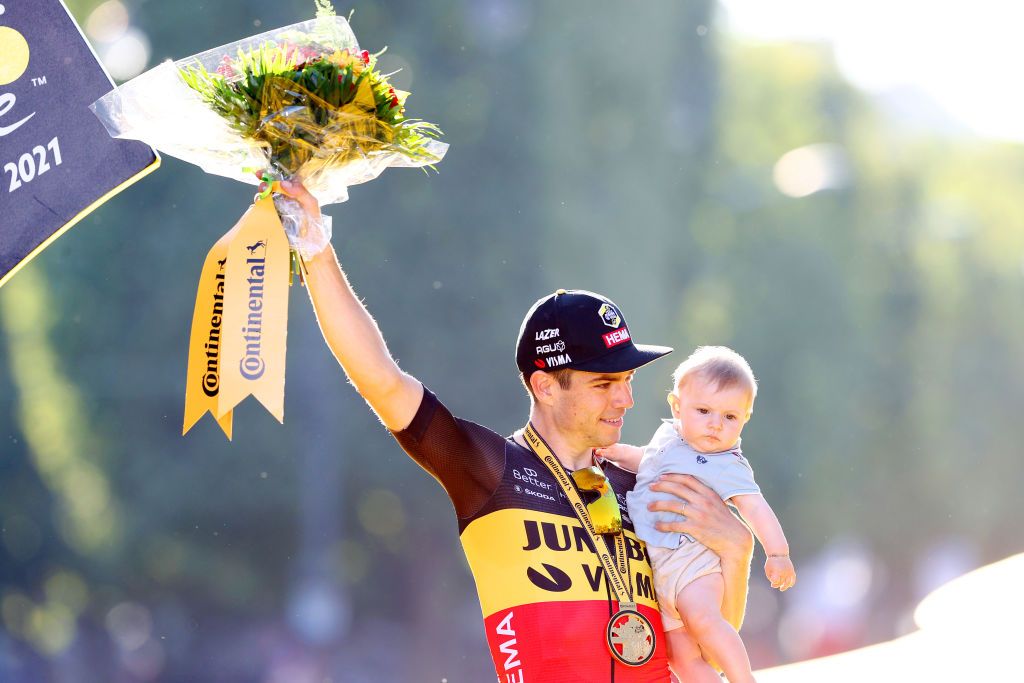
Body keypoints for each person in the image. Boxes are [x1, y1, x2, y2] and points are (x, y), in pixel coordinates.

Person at [266, 178, 756, 682]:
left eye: (628, 380)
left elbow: (707, 642)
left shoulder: (644, 482)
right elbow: (381, 380)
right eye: (604, 383)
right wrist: (316, 249)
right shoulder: (488, 469)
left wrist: (737, 552)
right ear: (545, 386)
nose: (626, 399)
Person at [599, 346, 796, 683]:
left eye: (729, 417)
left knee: (703, 621)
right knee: (679, 656)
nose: (715, 425)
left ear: (745, 418)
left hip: (693, 564)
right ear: (677, 406)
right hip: (658, 571)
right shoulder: (668, 438)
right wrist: (615, 453)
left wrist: (778, 553)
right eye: (703, 410)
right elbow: (646, 461)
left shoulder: (727, 464)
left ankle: (744, 678)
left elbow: (755, 507)